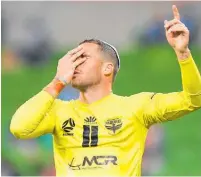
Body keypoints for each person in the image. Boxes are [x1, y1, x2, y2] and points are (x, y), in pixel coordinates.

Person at [10, 5, 201, 177]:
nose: (75, 64)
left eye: (83, 57)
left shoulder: (136, 107)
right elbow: (19, 128)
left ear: (107, 68)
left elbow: (194, 99)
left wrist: (183, 54)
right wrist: (57, 82)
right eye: (73, 57)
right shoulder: (58, 111)